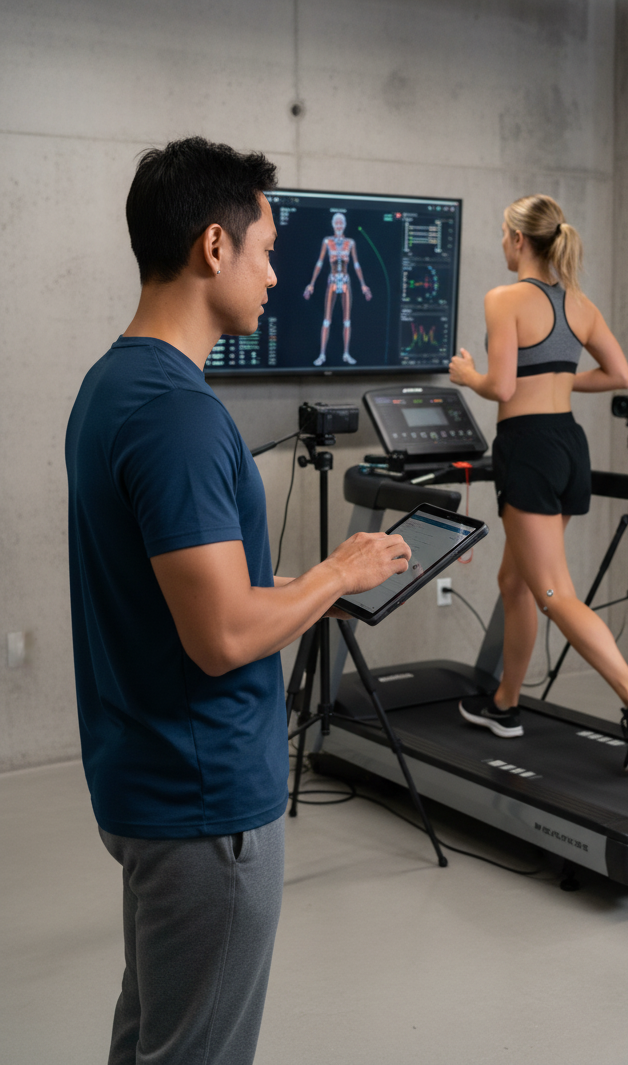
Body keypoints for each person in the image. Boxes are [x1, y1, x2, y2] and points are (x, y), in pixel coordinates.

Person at [65, 137, 410, 1065]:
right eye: (266, 252)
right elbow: (219, 636)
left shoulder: (113, 386)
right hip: (205, 802)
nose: (274, 276)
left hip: (147, 779)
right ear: (213, 247)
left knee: (154, 1038)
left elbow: (180, 593)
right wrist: (335, 575)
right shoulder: (177, 415)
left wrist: (302, 591)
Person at [448, 194, 628, 772]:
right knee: (515, 582)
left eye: (504, 234)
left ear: (519, 239)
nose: (502, 243)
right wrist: (559, 381)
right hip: (569, 444)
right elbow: (620, 374)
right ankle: (505, 704)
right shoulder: (580, 303)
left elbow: (501, 388)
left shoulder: (504, 299)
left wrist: (467, 374)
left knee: (552, 592)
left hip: (528, 448)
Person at [303, 211, 372, 365]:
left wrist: (363, 285)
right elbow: (320, 263)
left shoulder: (350, 243)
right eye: (337, 223)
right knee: (327, 319)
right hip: (333, 280)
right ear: (333, 225)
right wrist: (311, 284)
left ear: (344, 225)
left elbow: (356, 264)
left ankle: (346, 354)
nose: (339, 225)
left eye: (341, 223)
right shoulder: (327, 241)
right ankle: (322, 355)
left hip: (345, 281)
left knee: (346, 320)